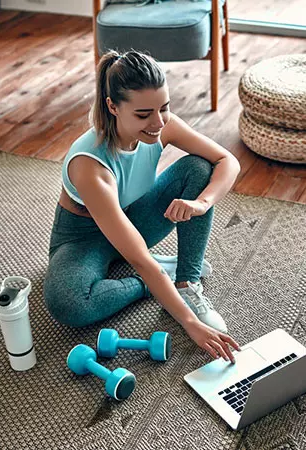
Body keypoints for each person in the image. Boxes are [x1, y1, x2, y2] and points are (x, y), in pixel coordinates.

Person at [43, 50, 241, 362]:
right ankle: (155, 280)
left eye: (164, 108)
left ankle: (186, 280)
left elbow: (226, 161)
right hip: (83, 237)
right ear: (112, 106)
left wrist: (202, 203)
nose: (158, 122)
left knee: (198, 169)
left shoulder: (162, 125)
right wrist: (190, 324)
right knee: (69, 303)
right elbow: (139, 258)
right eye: (143, 114)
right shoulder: (89, 166)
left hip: (133, 215)